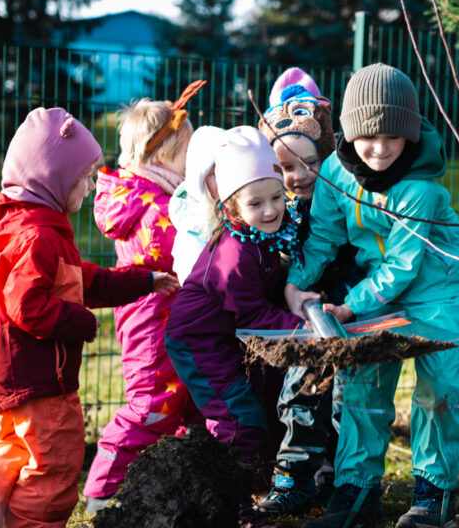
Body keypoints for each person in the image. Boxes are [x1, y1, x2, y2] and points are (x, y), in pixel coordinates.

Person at [0, 107, 179, 528]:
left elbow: (79, 280)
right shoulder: (40, 237)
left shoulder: (35, 227)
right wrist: (81, 323)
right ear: (53, 179)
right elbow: (25, 304)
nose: (91, 186)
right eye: (83, 177)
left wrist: (142, 280)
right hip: (38, 380)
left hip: (11, 376)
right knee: (55, 461)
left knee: (10, 450)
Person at [285, 63, 459, 528]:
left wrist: (352, 305)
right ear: (350, 133)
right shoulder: (334, 172)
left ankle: (434, 493)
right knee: (365, 386)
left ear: (410, 134)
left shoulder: (419, 187)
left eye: (394, 137)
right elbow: (324, 237)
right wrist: (295, 283)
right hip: (378, 290)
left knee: (438, 389)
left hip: (438, 290)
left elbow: (404, 266)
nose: (381, 148)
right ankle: (357, 492)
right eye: (369, 136)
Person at [163, 126, 303, 525]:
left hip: (225, 338)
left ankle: (240, 491)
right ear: (231, 208)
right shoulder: (235, 254)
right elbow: (254, 315)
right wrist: (302, 329)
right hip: (197, 342)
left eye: (277, 197)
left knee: (252, 408)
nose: (271, 210)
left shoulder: (262, 237)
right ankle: (232, 508)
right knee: (237, 416)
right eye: (256, 203)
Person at [84, 91, 203, 513]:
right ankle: (102, 490)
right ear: (166, 155)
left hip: (162, 319)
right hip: (155, 326)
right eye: (190, 152)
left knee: (185, 400)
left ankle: (177, 482)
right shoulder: (159, 208)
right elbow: (191, 251)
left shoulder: (143, 194)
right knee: (152, 404)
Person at [255, 67, 363, 515]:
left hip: (344, 304)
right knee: (300, 386)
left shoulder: (344, 195)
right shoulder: (272, 203)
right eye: (284, 167)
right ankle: (294, 477)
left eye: (310, 164)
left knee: (345, 393)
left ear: (328, 155)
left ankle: (336, 478)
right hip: (300, 309)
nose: (298, 176)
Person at [170, 125, 224, 284]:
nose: (225, 178)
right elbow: (194, 280)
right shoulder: (194, 229)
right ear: (200, 182)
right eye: (215, 174)